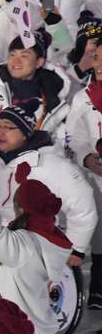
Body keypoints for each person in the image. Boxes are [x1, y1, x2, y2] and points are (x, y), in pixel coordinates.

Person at [0, 168, 71, 334]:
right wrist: (24, 184)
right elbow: (36, 208)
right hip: (36, 327)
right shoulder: (51, 237)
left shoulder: (23, 245)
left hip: (14, 331)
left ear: (20, 210)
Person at [65, 75, 102, 307]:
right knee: (99, 231)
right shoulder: (84, 98)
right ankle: (98, 287)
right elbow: (72, 139)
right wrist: (86, 158)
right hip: (96, 174)